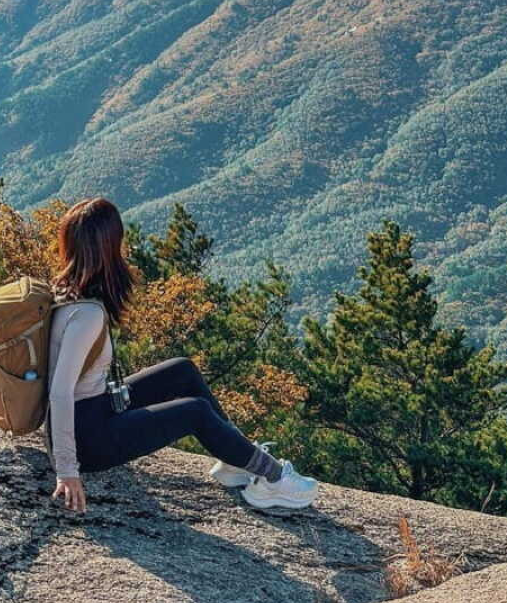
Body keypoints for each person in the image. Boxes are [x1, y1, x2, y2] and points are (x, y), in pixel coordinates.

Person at [47, 197, 318, 514]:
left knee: (182, 370)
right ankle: (271, 478)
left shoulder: (66, 291)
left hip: (94, 410)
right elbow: (60, 391)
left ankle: (235, 460)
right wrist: (68, 470)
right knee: (195, 412)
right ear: (109, 248)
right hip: (89, 440)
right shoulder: (87, 315)